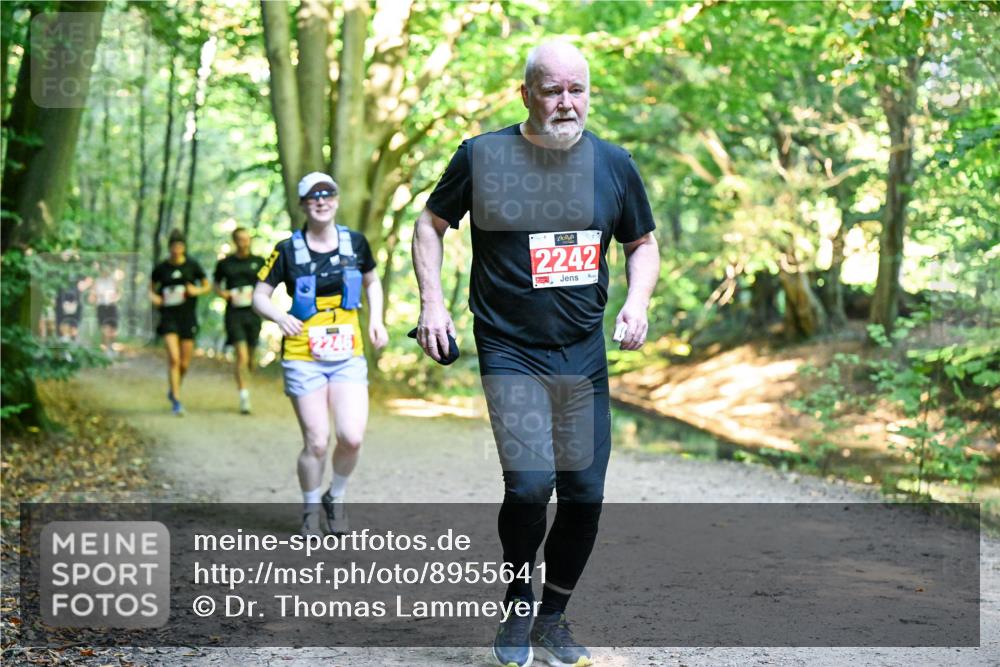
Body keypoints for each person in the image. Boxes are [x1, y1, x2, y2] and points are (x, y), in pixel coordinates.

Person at [412, 41, 659, 667]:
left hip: (581, 353)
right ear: (526, 94)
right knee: (528, 486)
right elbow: (429, 226)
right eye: (553, 90)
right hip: (510, 348)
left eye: (577, 89)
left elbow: (643, 243)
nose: (566, 103)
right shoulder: (484, 156)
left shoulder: (613, 164)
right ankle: (518, 600)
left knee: (584, 493)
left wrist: (637, 303)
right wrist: (432, 305)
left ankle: (552, 618)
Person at [253, 172, 388, 537]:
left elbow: (372, 282)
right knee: (316, 440)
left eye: (328, 194)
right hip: (302, 354)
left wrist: (376, 320)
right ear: (302, 204)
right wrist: (280, 316)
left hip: (348, 354)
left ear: (337, 200)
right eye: (313, 196)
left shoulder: (356, 243)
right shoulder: (286, 250)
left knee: (352, 436)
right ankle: (311, 508)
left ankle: (336, 496)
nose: (321, 200)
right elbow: (259, 296)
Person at [150, 229, 210, 416]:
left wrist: (196, 291)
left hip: (187, 317)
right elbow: (150, 289)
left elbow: (206, 285)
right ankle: (176, 400)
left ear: (183, 247)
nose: (177, 250)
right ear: (169, 248)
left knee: (184, 363)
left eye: (180, 246)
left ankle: (174, 388)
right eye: (174, 246)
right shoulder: (161, 268)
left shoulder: (192, 265)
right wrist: (155, 298)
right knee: (174, 359)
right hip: (168, 317)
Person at [214, 227, 266, 414]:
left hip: (253, 312)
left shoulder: (259, 262)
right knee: (241, 356)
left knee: (251, 358)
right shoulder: (226, 264)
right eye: (240, 240)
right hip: (234, 313)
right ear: (235, 241)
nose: (244, 243)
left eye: (247, 239)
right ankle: (244, 396)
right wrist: (224, 294)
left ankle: (247, 382)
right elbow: (216, 284)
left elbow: (268, 284)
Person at [91, 263, 122, 357]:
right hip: (102, 306)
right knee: (105, 328)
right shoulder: (97, 281)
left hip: (112, 306)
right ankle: (105, 350)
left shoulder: (113, 281)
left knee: (113, 329)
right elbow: (93, 295)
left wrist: (115, 298)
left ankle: (113, 348)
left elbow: (118, 293)